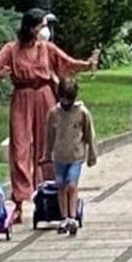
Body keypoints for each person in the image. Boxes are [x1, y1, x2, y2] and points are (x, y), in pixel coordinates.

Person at [0, 10, 99, 223]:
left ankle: (51, 193)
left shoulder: (46, 49)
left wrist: (87, 64)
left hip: (44, 96)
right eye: (41, 26)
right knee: (20, 147)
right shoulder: (12, 49)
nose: (44, 30)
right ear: (30, 27)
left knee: (47, 145)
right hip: (22, 96)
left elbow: (67, 63)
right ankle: (19, 200)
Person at [42, 76, 97, 236]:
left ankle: (72, 216)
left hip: (75, 156)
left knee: (71, 185)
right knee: (61, 186)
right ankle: (64, 217)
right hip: (59, 156)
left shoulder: (82, 113)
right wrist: (46, 155)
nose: (67, 104)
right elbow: (49, 137)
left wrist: (92, 154)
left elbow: (89, 134)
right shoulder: (53, 113)